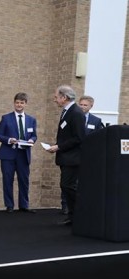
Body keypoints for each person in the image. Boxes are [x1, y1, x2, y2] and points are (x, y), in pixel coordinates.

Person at [47, 85, 86, 226]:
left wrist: (59, 147)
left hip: (73, 158)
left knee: (68, 186)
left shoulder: (75, 113)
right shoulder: (67, 112)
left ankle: (80, 215)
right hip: (66, 157)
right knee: (66, 186)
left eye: (57, 97)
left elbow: (79, 137)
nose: (55, 99)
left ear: (64, 97)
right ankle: (73, 216)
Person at [0, 92, 37, 213]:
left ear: (26, 104)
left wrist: (31, 140)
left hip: (23, 154)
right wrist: (9, 140)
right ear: (14, 103)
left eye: (22, 103)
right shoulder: (6, 118)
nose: (19, 105)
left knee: (24, 180)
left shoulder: (31, 120)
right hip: (8, 154)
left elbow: (34, 135)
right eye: (17, 102)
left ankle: (24, 205)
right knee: (8, 179)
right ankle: (9, 205)